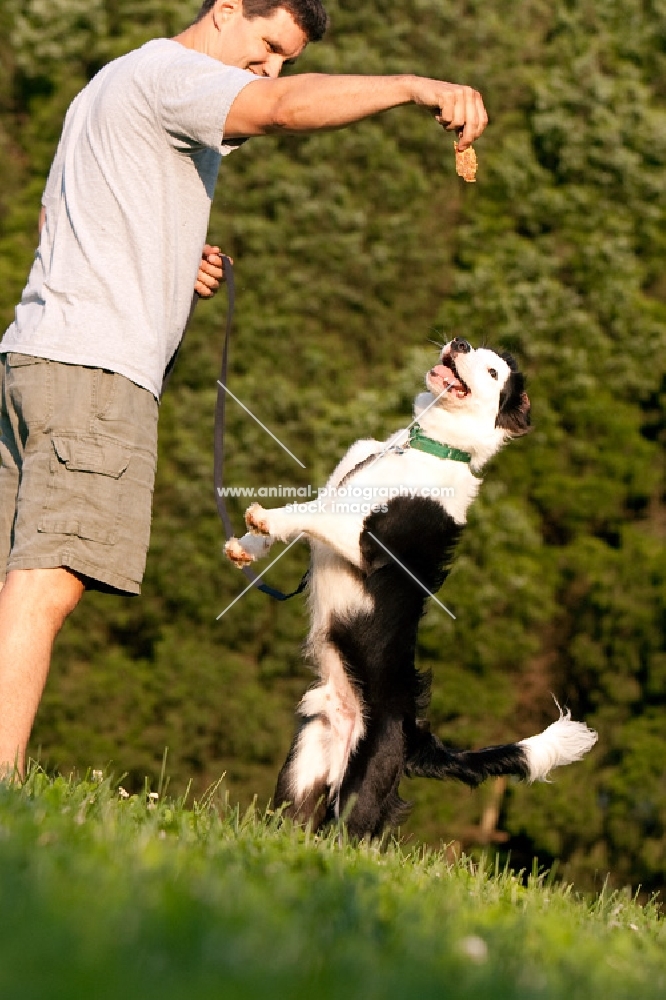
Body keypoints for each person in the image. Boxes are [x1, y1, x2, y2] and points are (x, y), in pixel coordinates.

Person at [0, 0, 488, 777]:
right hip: (93, 374)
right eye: (266, 46)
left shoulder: (109, 83)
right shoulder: (174, 74)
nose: (270, 71)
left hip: (33, 358)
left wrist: (166, 264)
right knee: (46, 583)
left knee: (12, 577)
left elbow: (58, 218)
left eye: (285, 58)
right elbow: (285, 112)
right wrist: (409, 85)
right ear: (225, 9)